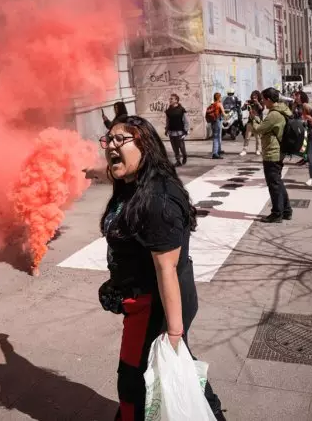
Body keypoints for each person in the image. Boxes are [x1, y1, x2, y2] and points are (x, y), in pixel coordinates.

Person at [96, 115, 225, 421]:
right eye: (108, 140)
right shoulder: (132, 184)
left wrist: (174, 332)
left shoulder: (158, 200)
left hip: (157, 305)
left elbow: (167, 269)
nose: (111, 145)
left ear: (145, 146)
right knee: (173, 371)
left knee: (135, 378)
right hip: (143, 298)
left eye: (120, 140)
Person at [255, 87, 293, 223]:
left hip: (273, 153)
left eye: (264, 100)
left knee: (274, 184)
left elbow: (258, 129)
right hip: (278, 152)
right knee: (278, 182)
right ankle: (287, 210)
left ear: (269, 100)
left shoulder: (274, 115)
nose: (263, 102)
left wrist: (254, 118)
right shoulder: (282, 109)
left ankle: (277, 213)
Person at [164, 94, 189, 167]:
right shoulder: (168, 111)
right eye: (170, 99)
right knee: (174, 147)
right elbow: (167, 121)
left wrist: (186, 130)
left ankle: (184, 155)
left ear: (176, 100)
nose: (170, 100)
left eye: (172, 99)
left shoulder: (181, 109)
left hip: (180, 131)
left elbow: (186, 121)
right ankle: (178, 161)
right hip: (171, 131)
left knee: (181, 146)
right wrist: (166, 129)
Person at [240, 90, 263, 156]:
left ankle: (258, 150)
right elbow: (242, 109)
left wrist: (257, 103)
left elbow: (262, 109)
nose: (254, 98)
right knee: (247, 136)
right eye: (253, 96)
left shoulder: (261, 102)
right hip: (250, 121)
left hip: (257, 122)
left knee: (257, 137)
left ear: (258, 96)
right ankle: (244, 150)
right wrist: (245, 104)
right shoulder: (249, 102)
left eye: (255, 96)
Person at [206, 93, 224, 159]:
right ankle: (215, 153)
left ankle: (216, 151)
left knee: (215, 137)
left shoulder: (212, 104)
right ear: (219, 97)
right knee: (216, 137)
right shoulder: (219, 104)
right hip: (217, 121)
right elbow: (224, 114)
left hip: (213, 122)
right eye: (220, 97)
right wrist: (228, 115)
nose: (221, 98)